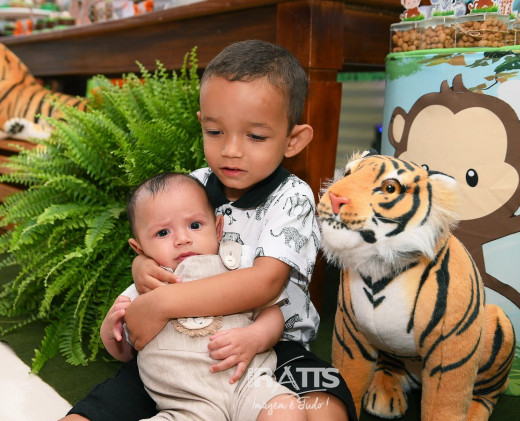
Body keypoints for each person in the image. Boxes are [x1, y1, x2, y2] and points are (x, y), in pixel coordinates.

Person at [62, 39, 357, 421]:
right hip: (179, 348)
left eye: (255, 136)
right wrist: (143, 267)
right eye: (216, 132)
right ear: (202, 123)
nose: (231, 150)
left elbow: (265, 283)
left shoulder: (292, 197)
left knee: (326, 407)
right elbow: (160, 240)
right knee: (95, 408)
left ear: (293, 140)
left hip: (273, 342)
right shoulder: (194, 184)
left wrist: (163, 303)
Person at [100, 171, 302, 421]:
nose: (183, 239)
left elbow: (272, 312)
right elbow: (127, 352)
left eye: (195, 225)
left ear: (217, 229)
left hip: (249, 384)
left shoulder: (237, 263)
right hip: (186, 404)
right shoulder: (146, 287)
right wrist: (111, 331)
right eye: (163, 233)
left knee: (286, 409)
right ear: (139, 248)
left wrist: (256, 337)